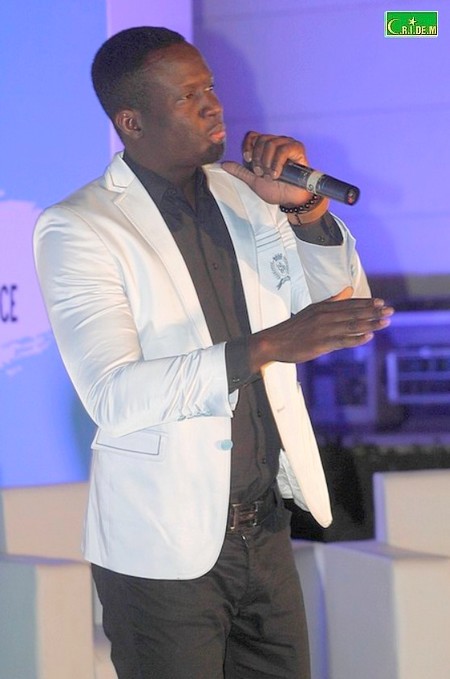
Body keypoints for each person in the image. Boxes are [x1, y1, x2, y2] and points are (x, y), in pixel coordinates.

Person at [33, 26, 393, 679]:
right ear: (132, 121)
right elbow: (114, 395)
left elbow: (344, 307)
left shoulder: (244, 194)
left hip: (267, 531)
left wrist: (306, 209)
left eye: (212, 88)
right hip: (161, 548)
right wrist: (271, 344)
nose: (213, 106)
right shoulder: (80, 227)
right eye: (188, 95)